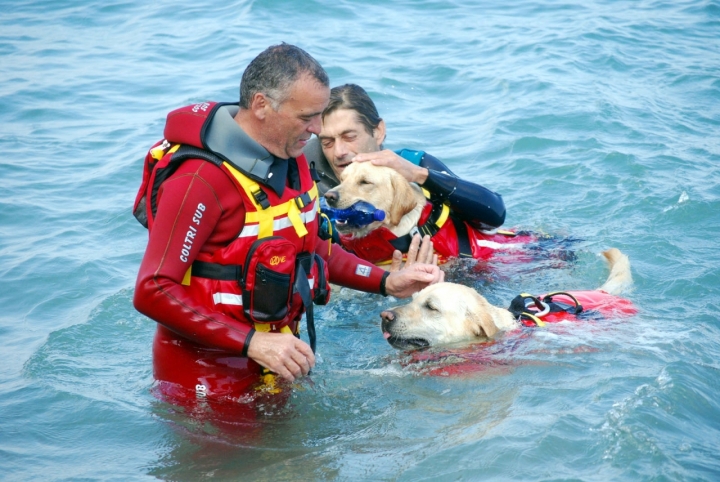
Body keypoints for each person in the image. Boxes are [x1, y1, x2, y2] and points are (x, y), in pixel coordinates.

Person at [132, 44, 443, 404]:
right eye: (306, 117)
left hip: (280, 355)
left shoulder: (289, 157)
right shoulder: (199, 180)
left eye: (319, 115)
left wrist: (387, 281)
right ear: (262, 106)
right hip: (206, 373)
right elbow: (152, 289)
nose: (316, 129)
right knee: (227, 463)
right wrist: (253, 343)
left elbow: (311, 248)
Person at [303, 83, 506, 231]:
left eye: (349, 137)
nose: (339, 151)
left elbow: (495, 215)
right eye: (327, 142)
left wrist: (418, 175)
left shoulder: (414, 164)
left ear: (378, 131)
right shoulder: (306, 173)